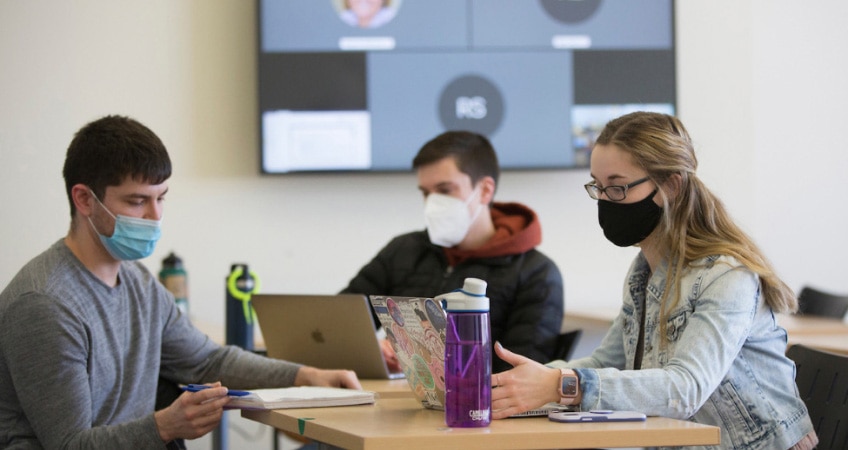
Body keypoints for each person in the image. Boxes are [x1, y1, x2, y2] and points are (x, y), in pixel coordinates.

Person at [0, 115, 361, 449]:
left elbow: (206, 361)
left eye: (161, 199)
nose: (155, 216)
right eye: (137, 201)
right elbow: (69, 445)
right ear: (84, 199)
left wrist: (305, 375)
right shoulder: (44, 305)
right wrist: (163, 427)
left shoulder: (138, 282)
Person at [489, 112, 818, 450]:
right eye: (598, 187)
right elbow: (605, 363)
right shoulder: (643, 271)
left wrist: (563, 384)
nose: (604, 201)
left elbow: (684, 389)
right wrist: (510, 386)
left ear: (670, 186)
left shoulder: (727, 276)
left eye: (617, 187)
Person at [342, 130, 564, 373]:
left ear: (485, 190)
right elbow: (341, 323)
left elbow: (520, 374)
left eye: (445, 190)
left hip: (474, 406)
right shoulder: (403, 250)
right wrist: (377, 350)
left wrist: (415, 357)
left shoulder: (536, 273)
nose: (432, 204)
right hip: (391, 400)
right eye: (426, 193)